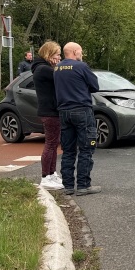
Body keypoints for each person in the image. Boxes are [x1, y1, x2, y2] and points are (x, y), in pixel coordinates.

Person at [54, 42, 100, 196]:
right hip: (82, 111)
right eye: (80, 51)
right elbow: (95, 86)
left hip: (64, 112)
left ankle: (67, 186)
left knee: (68, 150)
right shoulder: (81, 67)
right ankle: (83, 185)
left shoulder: (57, 69)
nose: (82, 54)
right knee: (86, 148)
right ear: (74, 52)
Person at [32, 40, 63, 190]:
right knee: (51, 144)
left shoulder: (41, 68)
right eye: (57, 55)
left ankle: (52, 173)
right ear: (49, 54)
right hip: (50, 111)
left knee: (53, 143)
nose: (59, 58)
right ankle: (45, 177)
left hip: (51, 110)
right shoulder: (44, 69)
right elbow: (62, 77)